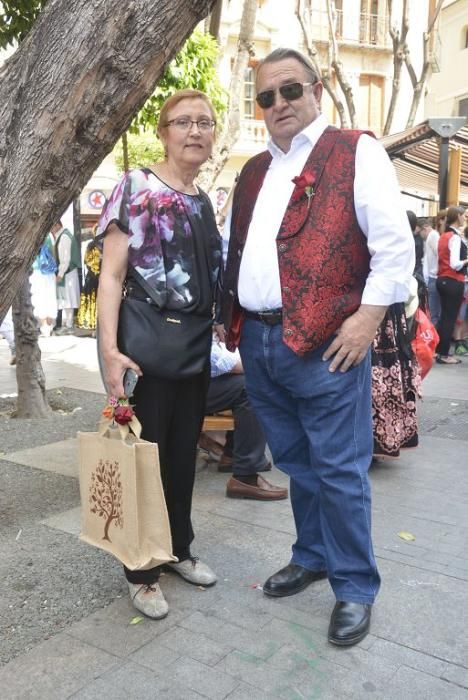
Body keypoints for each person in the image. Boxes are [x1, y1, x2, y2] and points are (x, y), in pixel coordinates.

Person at [220, 48, 414, 647]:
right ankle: (312, 555)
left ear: (317, 89)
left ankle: (355, 586)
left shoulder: (356, 151)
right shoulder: (254, 170)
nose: (278, 105)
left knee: (339, 470)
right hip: (259, 340)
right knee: (299, 465)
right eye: (266, 97)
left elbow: (394, 249)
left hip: (328, 344)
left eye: (289, 91)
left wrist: (366, 321)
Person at [97, 89, 222, 621]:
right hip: (145, 348)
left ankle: (177, 549)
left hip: (192, 349)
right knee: (141, 458)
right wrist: (107, 351)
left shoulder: (202, 198)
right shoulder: (137, 187)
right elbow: (112, 274)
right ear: (163, 131)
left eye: (205, 122)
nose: (195, 131)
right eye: (183, 122)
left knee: (179, 457)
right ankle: (140, 572)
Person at [205, 332, 287, 500]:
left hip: (192, 375)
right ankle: (246, 475)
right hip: (180, 381)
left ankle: (233, 455)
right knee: (253, 388)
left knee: (251, 383)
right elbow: (213, 359)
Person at [435, 206, 468, 364]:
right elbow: (455, 264)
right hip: (453, 280)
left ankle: (438, 351)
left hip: (442, 279)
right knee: (449, 318)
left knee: (444, 317)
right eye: (463, 216)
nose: (464, 218)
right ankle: (444, 354)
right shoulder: (454, 237)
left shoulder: (444, 235)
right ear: (458, 217)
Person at [50, 221, 81, 334]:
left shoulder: (64, 237)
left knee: (68, 298)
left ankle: (68, 325)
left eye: (51, 227)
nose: (50, 230)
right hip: (67, 272)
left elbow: (66, 259)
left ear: (57, 225)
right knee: (66, 298)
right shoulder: (63, 235)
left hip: (68, 272)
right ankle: (67, 324)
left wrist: (60, 274)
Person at [30, 232, 58, 337]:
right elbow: (53, 253)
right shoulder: (49, 235)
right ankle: (49, 326)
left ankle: (43, 327)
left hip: (37, 271)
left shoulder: (32, 235)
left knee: (39, 297)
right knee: (50, 297)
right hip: (49, 271)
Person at [76, 226, 101, 334]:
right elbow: (87, 261)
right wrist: (97, 271)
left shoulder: (105, 245)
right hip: (93, 277)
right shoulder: (91, 246)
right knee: (91, 300)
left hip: (101, 277)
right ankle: (91, 325)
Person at [421, 218, 441, 325]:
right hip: (434, 276)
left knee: (434, 312)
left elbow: (439, 255)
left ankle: (435, 338)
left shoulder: (433, 236)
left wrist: (436, 271)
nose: (420, 235)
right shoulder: (432, 236)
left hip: (435, 277)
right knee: (434, 311)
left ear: (425, 229)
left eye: (420, 232)